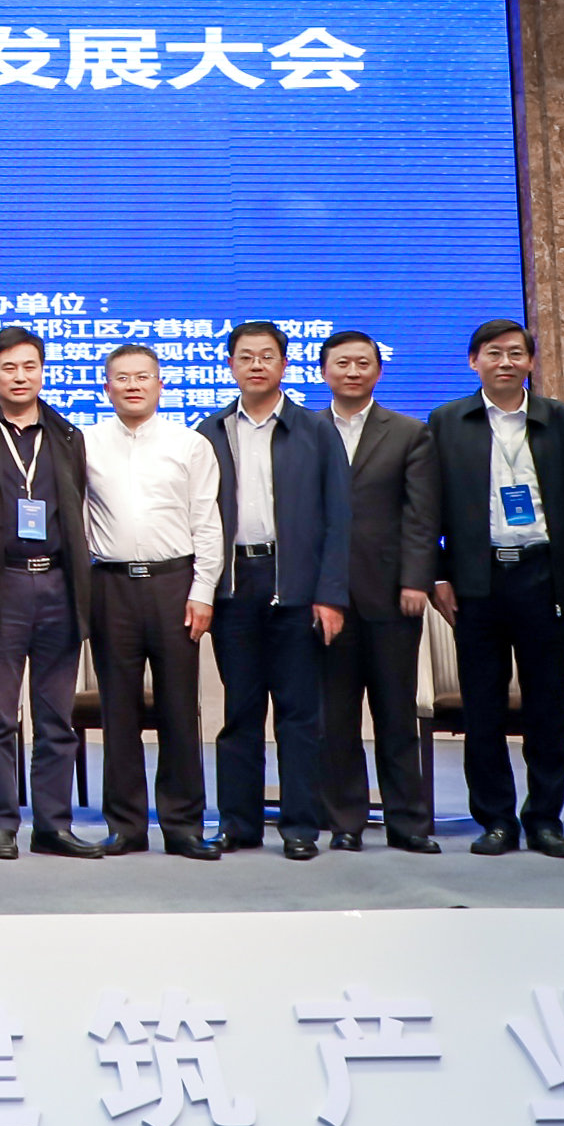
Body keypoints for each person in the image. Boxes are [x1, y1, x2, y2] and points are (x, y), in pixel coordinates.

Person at [427, 318, 564, 859]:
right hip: (477, 579)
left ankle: (545, 819)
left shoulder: (561, 420)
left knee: (547, 706)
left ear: (530, 361)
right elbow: (427, 507)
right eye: (493, 353)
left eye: (516, 353)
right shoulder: (447, 421)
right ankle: (496, 819)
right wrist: (438, 574)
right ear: (473, 361)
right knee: (483, 708)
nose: (505, 362)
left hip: (544, 576)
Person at [196, 322, 351, 861]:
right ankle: (238, 824)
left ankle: (301, 826)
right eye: (246, 357)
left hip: (298, 586)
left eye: (267, 356)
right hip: (235, 584)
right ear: (231, 366)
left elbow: (339, 519)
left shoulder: (315, 429)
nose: (256, 365)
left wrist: (331, 595)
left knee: (299, 715)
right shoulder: (210, 431)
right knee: (239, 711)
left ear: (284, 365)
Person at [0, 325, 97, 861]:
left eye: (30, 366)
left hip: (58, 586)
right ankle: (1, 825)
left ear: (42, 372)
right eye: (8, 367)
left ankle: (53, 825)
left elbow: (75, 511)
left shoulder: (68, 435)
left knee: (56, 719)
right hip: (1, 587)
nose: (20, 376)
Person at [81, 343, 225, 861]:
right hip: (110, 586)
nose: (133, 385)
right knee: (117, 710)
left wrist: (203, 590)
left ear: (161, 384)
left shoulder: (190, 445)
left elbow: (207, 523)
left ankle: (183, 826)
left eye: (143, 376)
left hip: (174, 585)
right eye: (122, 378)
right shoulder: (85, 443)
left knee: (179, 709)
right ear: (107, 388)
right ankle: (125, 826)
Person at [316, 330, 442, 853]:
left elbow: (421, 514)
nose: (353, 371)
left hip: (392, 595)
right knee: (336, 718)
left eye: (363, 363)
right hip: (325, 598)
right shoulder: (306, 431)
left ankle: (407, 823)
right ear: (324, 371)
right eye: (342, 363)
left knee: (396, 714)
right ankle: (345, 822)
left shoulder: (409, 432)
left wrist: (416, 579)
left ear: (378, 371)